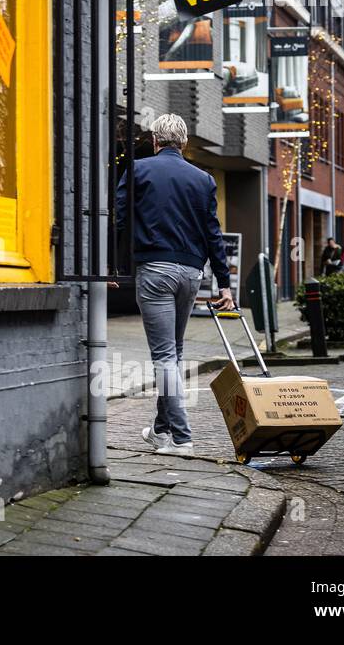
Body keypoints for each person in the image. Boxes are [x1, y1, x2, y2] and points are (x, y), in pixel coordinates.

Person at [115, 113, 232, 457]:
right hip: (192, 274)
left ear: (154, 141)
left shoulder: (137, 170)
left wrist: (112, 266)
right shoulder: (203, 179)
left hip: (156, 272)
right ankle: (161, 431)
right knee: (175, 353)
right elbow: (213, 234)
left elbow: (119, 219)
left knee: (165, 355)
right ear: (183, 143)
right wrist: (224, 284)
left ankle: (182, 437)